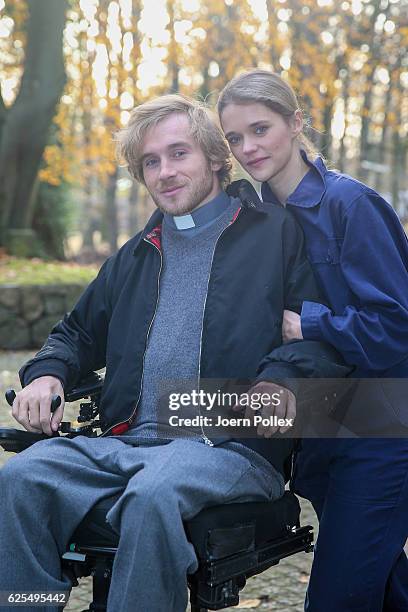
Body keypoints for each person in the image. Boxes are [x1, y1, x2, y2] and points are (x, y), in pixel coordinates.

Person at [0, 94, 347, 612]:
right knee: (18, 479)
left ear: (213, 157)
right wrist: (47, 374)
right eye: (150, 162)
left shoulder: (276, 234)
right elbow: (74, 333)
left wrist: (275, 387)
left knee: (153, 493)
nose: (165, 172)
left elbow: (317, 343)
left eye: (178, 153)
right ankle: (26, 604)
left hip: (230, 447)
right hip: (126, 443)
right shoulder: (136, 254)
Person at [218, 68, 408, 612]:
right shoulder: (257, 221)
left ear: (296, 123)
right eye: (235, 139)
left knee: (337, 598)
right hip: (321, 436)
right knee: (380, 583)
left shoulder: (351, 205)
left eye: (261, 129)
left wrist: (314, 324)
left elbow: (397, 326)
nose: (248, 148)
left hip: (382, 434)